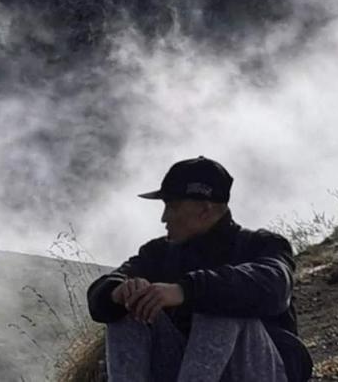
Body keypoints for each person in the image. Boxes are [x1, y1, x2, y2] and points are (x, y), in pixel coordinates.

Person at [87, 156, 313, 382]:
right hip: (182, 369)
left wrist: (186, 290)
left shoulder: (262, 245)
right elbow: (101, 293)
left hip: (260, 371)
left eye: (172, 206)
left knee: (218, 304)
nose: (164, 218)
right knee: (130, 303)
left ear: (205, 210)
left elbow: (275, 286)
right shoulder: (157, 253)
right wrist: (118, 291)